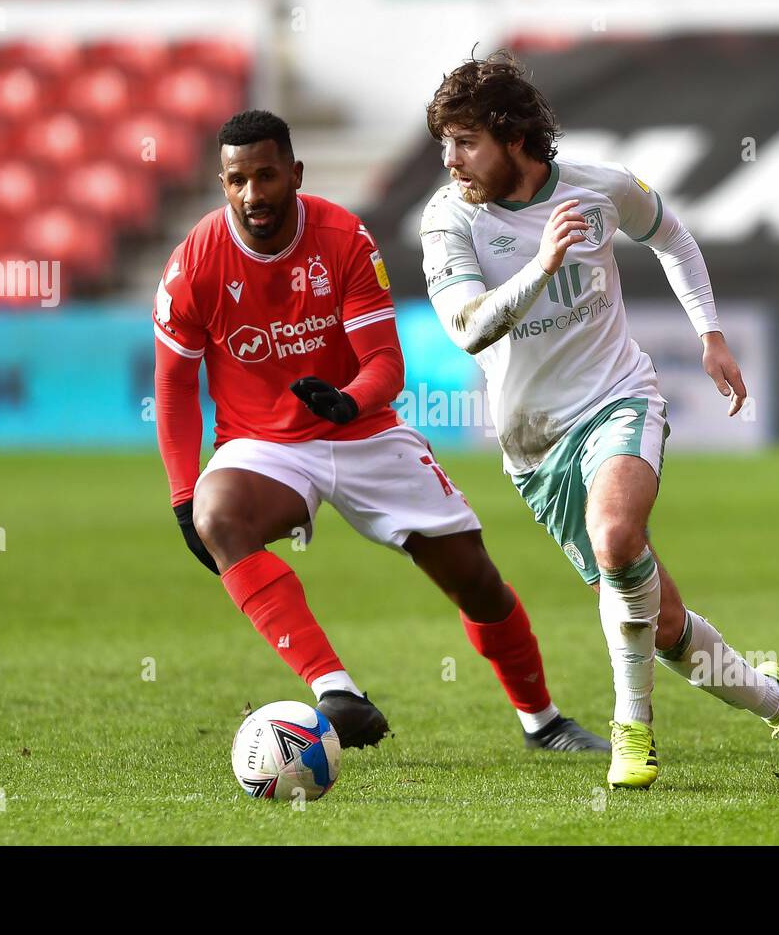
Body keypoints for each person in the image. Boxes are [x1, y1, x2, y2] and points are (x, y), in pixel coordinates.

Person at [419, 53, 779, 788]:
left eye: (465, 142)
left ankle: (632, 731)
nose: (451, 161)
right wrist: (542, 266)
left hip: (619, 397)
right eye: (444, 145)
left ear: (513, 135)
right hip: (534, 444)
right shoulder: (448, 218)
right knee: (668, 626)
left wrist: (709, 334)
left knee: (617, 537)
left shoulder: (598, 186)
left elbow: (672, 235)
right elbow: (468, 328)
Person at [153, 109, 607, 753]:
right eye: (236, 180)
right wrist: (180, 497)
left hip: (363, 431)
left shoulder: (341, 237)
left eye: (266, 176)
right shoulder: (194, 262)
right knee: (217, 514)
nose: (252, 194)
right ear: (222, 182)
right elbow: (173, 385)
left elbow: (386, 365)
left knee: (474, 580)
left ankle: (543, 721)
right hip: (263, 445)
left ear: (295, 174)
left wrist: (347, 402)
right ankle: (337, 693)